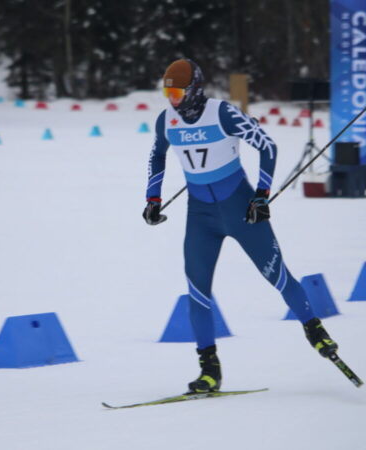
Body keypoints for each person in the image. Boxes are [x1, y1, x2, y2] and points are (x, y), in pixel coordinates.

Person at [142, 58, 338, 393]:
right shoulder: (167, 120)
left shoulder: (222, 113)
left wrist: (261, 196)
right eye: (167, 91)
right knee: (197, 291)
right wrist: (152, 198)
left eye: (177, 91)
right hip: (200, 216)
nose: (171, 98)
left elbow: (267, 145)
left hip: (240, 209)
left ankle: (314, 329)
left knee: (277, 276)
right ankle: (209, 369)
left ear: (194, 88)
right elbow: (157, 155)